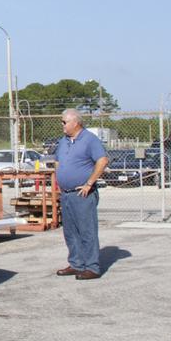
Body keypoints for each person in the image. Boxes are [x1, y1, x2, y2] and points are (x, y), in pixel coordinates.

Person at [52, 108, 109, 280]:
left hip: (82, 194)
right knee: (70, 231)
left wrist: (89, 183)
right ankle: (76, 264)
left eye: (64, 122)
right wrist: (60, 181)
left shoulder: (90, 140)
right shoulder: (63, 141)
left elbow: (102, 160)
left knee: (87, 231)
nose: (62, 125)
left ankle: (92, 267)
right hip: (66, 193)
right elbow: (57, 161)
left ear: (75, 123)